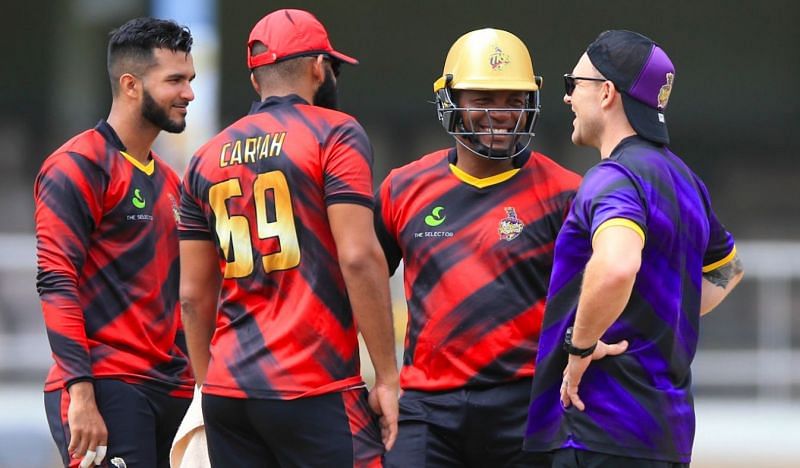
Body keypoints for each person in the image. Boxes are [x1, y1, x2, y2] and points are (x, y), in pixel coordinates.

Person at [177, 8, 399, 467]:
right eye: (333, 68)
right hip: (312, 386)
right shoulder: (336, 134)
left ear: (257, 82)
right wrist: (387, 378)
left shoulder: (204, 158)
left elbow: (193, 297)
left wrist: (207, 385)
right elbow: (358, 257)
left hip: (228, 392)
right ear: (320, 67)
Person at [523, 30, 745, 467]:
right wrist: (655, 308)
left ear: (606, 92)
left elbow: (617, 266)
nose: (568, 99)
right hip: (665, 435)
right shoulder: (685, 180)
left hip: (596, 429)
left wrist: (581, 347)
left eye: (574, 84)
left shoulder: (612, 178)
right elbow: (728, 270)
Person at [374, 28, 581, 467]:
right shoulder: (402, 188)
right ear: (451, 101)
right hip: (426, 408)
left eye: (512, 99)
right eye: (484, 99)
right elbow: (360, 280)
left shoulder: (567, 193)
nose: (501, 114)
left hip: (527, 405)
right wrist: (382, 377)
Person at [34, 17, 196, 468]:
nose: (189, 94)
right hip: (107, 386)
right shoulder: (76, 166)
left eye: (191, 80)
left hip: (174, 389)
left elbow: (184, 295)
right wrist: (80, 393)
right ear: (130, 85)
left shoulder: (171, 183)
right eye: (175, 80)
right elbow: (55, 281)